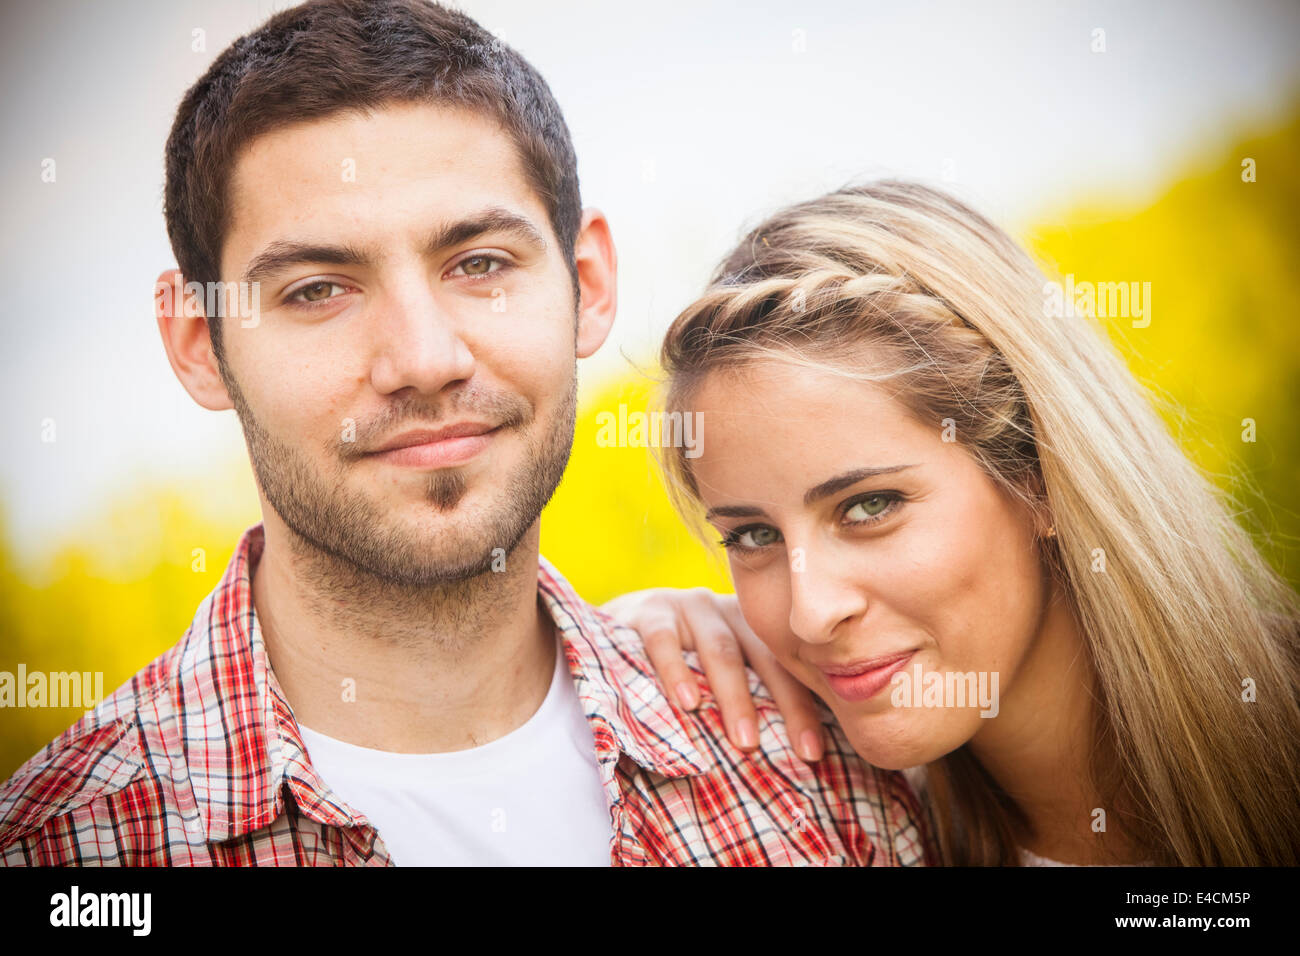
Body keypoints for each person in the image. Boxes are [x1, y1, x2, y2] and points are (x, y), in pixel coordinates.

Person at [0, 0, 932, 867]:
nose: (424, 358)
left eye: (479, 263)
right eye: (318, 289)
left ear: (588, 285)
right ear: (200, 344)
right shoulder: (66, 848)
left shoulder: (833, 774)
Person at [602, 180, 1300, 866]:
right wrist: (618, 651)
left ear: (1040, 475)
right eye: (753, 536)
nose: (811, 614)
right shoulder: (845, 832)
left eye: (869, 506)